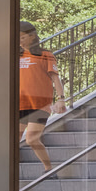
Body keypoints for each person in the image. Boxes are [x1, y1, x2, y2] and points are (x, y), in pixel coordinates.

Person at [17, 21, 66, 174]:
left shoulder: (45, 55)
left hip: (41, 105)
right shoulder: (14, 55)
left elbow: (55, 78)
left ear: (32, 37)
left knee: (31, 139)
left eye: (22, 37)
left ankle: (48, 169)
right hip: (19, 105)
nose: (19, 40)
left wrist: (61, 99)